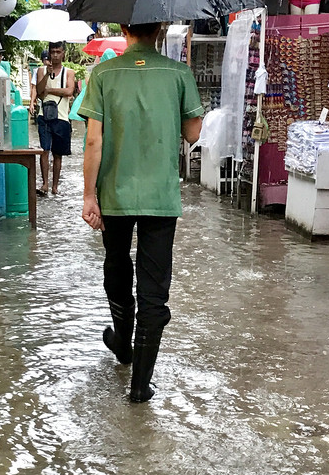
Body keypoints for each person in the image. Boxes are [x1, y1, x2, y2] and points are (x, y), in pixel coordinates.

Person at [81, 23, 204, 403]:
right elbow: (194, 133)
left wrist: (89, 195)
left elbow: (93, 139)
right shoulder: (179, 73)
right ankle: (139, 385)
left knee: (116, 265)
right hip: (160, 198)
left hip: (114, 194)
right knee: (154, 291)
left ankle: (122, 343)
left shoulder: (103, 73)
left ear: (123, 27)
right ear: (162, 28)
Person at [31, 42, 77, 196]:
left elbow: (69, 90)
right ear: (49, 53)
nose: (55, 55)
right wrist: (46, 75)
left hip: (61, 116)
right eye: (53, 52)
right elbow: (39, 90)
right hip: (44, 115)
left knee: (58, 154)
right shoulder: (41, 70)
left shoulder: (68, 72)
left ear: (63, 53)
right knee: (44, 150)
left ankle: (55, 186)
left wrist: (50, 90)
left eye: (58, 52)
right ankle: (44, 183)